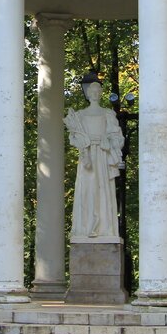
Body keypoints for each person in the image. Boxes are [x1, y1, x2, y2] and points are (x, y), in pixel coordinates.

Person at [65, 72, 125, 241]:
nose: (95, 94)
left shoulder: (108, 114)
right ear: (88, 94)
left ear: (101, 93)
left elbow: (117, 136)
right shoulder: (80, 116)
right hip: (87, 156)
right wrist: (82, 146)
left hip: (103, 156)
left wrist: (109, 142)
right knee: (88, 190)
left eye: (98, 91)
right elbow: (74, 137)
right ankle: (87, 227)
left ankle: (105, 227)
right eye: (92, 91)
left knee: (103, 190)